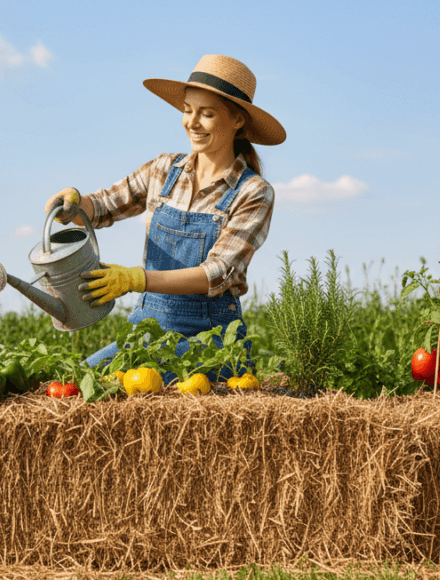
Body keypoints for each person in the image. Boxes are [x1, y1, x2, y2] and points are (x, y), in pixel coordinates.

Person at [44, 54, 283, 382]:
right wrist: (73, 203)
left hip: (210, 339)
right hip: (147, 330)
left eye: (207, 114)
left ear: (238, 120)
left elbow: (217, 274)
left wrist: (136, 279)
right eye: (188, 110)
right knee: (82, 382)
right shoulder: (162, 170)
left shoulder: (253, 192)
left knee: (124, 388)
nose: (192, 123)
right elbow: (103, 206)